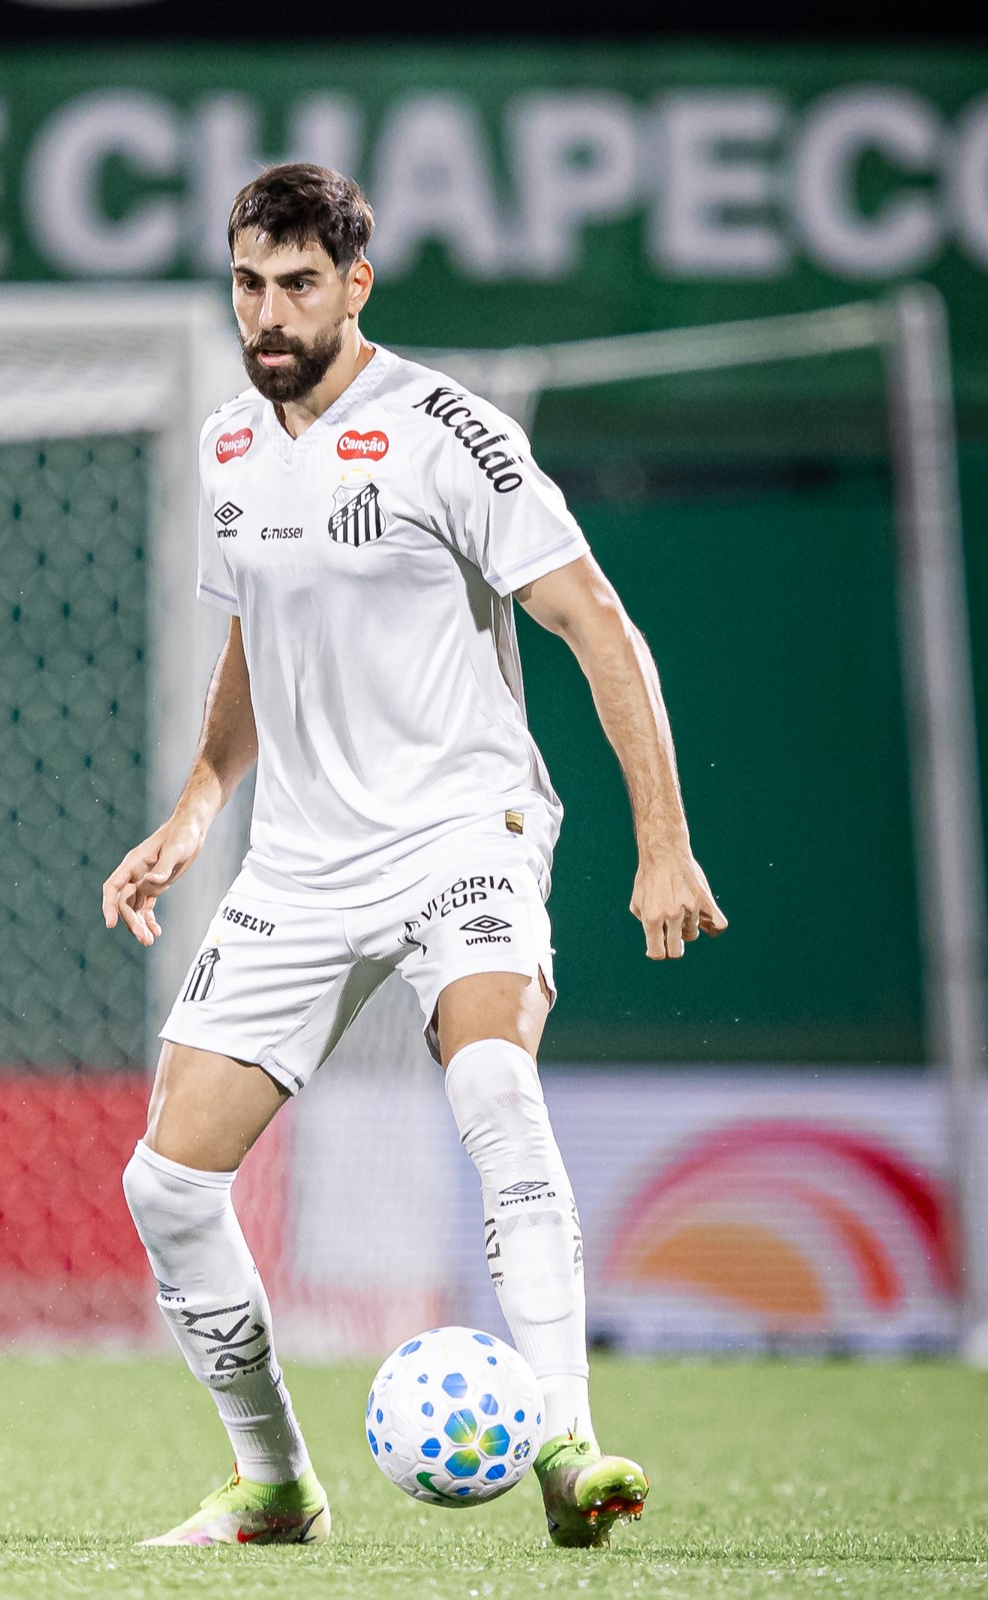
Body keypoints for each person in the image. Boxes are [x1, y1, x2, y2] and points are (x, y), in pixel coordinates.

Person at [101, 163, 724, 1549]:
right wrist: (201, 804)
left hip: (463, 829)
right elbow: (256, 638)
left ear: (355, 285)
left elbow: (600, 625)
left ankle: (567, 1441)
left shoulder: (452, 433)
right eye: (250, 282)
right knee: (167, 1185)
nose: (269, 311)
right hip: (304, 865)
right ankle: (275, 1484)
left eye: (299, 284)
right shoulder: (228, 449)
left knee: (494, 1080)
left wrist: (663, 842)